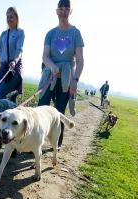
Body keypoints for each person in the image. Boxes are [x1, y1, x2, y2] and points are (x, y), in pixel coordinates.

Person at [37, 0, 84, 151]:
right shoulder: (50, 34)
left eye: (66, 9)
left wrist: (75, 80)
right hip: (49, 76)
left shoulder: (76, 33)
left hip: (66, 79)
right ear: (57, 11)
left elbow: (80, 60)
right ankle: (37, 139)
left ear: (71, 12)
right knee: (41, 107)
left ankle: (57, 143)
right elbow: (45, 56)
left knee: (59, 111)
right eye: (61, 9)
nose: (63, 12)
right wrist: (52, 67)